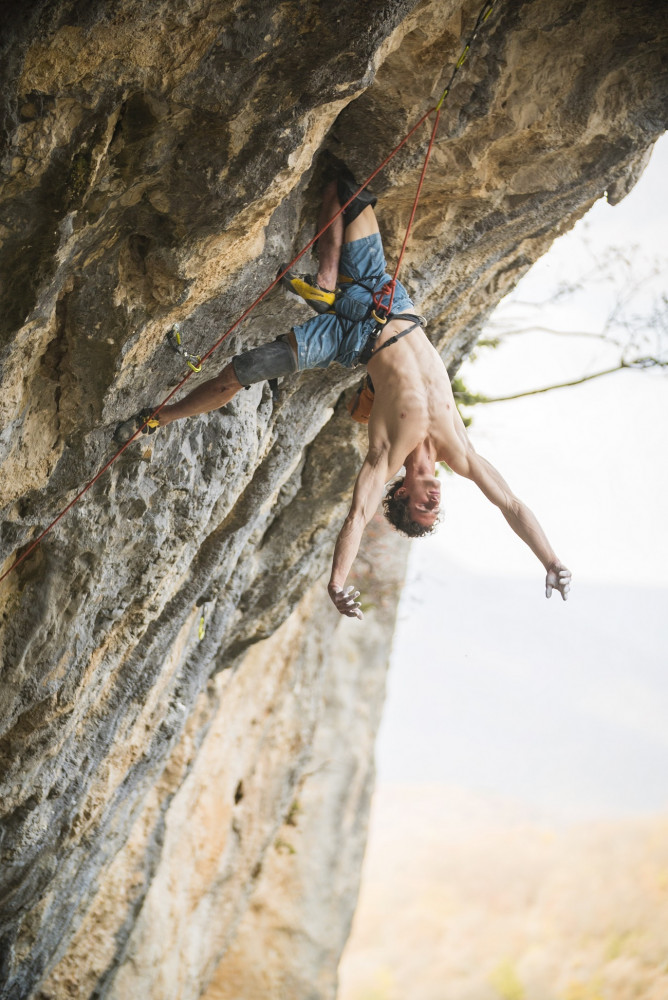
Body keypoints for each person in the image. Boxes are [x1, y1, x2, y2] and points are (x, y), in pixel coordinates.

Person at [115, 167, 571, 619]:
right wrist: (550, 559)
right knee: (346, 189)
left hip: (347, 338)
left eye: (423, 507)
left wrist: (337, 581)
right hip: (384, 298)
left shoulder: (386, 455)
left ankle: (160, 417)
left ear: (399, 495)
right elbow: (511, 504)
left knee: (239, 372)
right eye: (436, 507)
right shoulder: (459, 448)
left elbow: (355, 517)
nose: (434, 500)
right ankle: (326, 281)